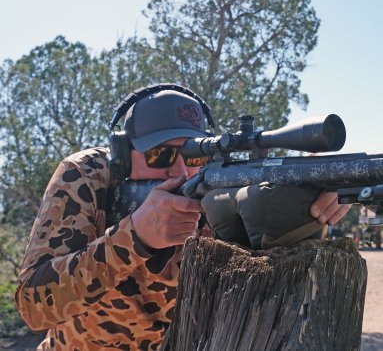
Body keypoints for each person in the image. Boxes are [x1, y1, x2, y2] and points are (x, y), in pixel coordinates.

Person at [15, 84, 349, 350]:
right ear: (123, 153)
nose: (178, 169)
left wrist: (305, 213)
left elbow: (266, 288)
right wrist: (134, 237)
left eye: (193, 154)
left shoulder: (217, 186)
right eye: (160, 154)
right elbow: (33, 306)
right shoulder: (86, 176)